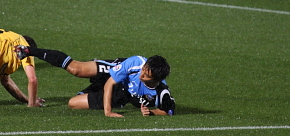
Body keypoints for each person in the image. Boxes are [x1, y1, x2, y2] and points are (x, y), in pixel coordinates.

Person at [14, 45, 175, 117]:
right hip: (115, 71)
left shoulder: (161, 93)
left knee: (73, 103)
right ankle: (28, 50)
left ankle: (93, 89)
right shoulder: (135, 63)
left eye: (146, 75)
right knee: (76, 69)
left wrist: (151, 112)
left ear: (156, 79)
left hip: (121, 93)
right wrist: (108, 111)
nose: (141, 74)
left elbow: (168, 110)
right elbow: (110, 82)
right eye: (143, 69)